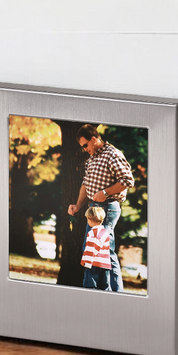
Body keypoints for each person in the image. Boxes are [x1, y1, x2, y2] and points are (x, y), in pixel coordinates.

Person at [67, 124, 135, 292]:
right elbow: (85, 185)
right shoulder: (92, 158)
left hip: (108, 208)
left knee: (104, 250)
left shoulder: (113, 154)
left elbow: (128, 180)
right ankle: (98, 289)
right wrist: (77, 205)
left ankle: (115, 291)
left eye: (85, 145)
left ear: (94, 139)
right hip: (94, 209)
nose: (84, 149)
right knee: (91, 249)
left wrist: (105, 192)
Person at [80, 204, 112, 290]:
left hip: (93, 264)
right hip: (105, 265)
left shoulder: (92, 233)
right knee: (104, 286)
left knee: (90, 286)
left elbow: (92, 249)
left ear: (90, 220)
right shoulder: (105, 232)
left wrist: (86, 262)